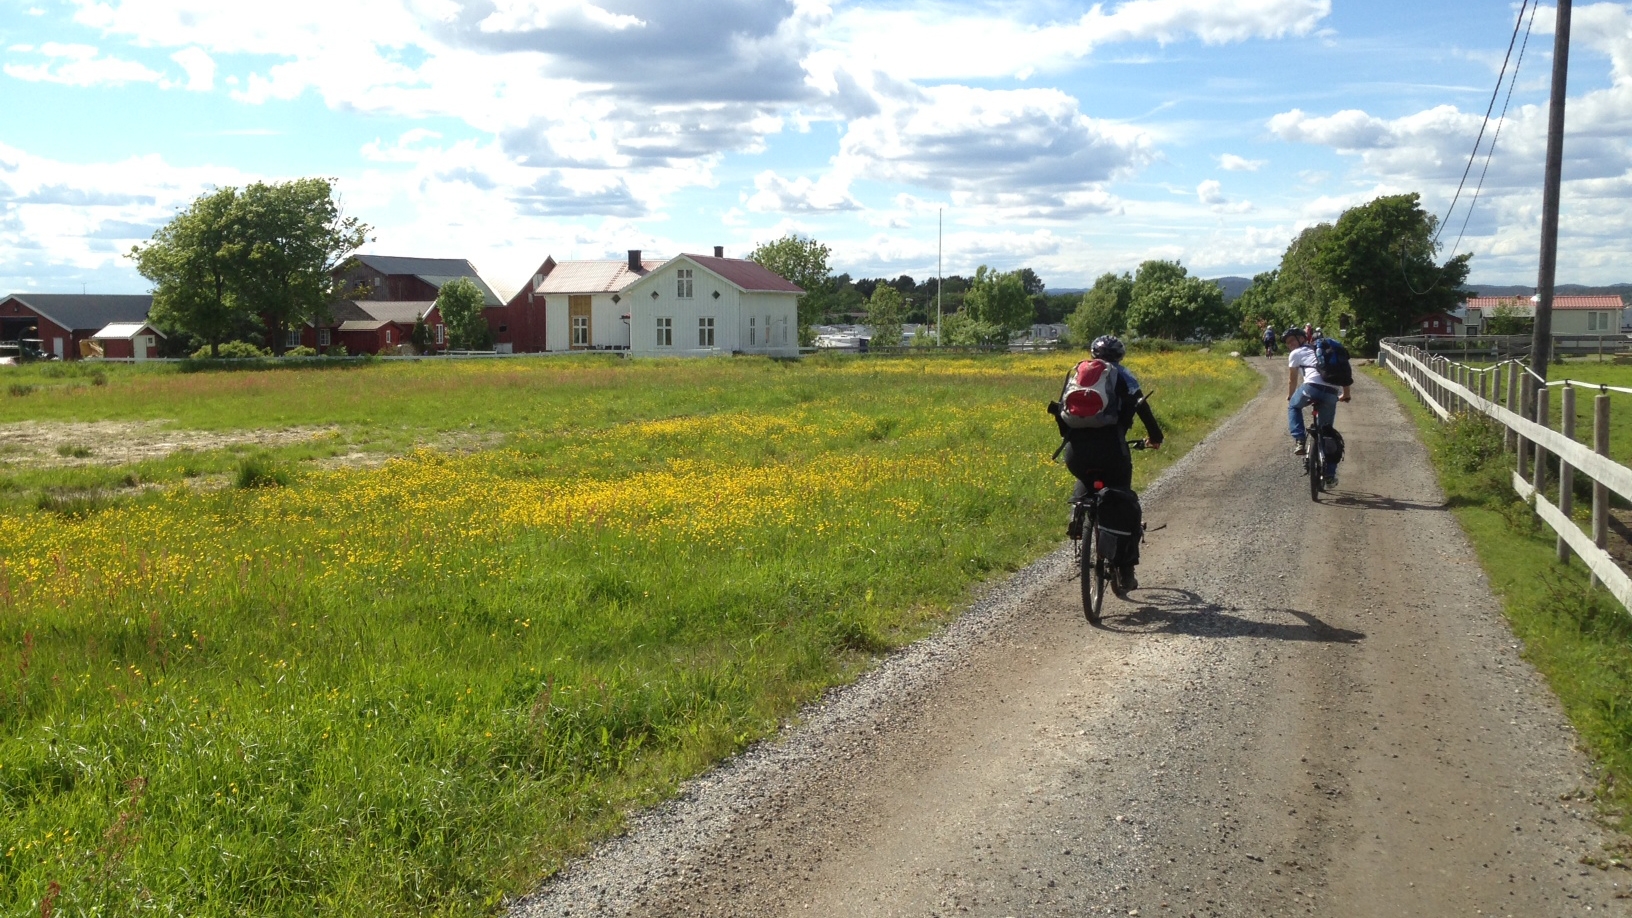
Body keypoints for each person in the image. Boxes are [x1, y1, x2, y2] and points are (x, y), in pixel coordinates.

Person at [1049, 335, 1164, 590]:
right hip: (1112, 449)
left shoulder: (1078, 374)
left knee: (1085, 477)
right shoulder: (1124, 376)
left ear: (1092, 354)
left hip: (1076, 451)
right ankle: (1126, 571)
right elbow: (1142, 408)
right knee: (1124, 501)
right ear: (1120, 356)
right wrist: (1156, 437)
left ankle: (1078, 514)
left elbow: (1060, 412)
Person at [1284, 326, 1351, 486]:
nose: (1290, 344)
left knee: (1293, 406)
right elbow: (1344, 373)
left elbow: (1292, 379)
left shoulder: (1296, 353)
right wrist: (1346, 394)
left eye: (1292, 340)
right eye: (1287, 343)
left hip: (1311, 388)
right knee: (1327, 432)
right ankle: (1330, 474)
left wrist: (1291, 396)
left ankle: (1300, 440)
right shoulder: (1327, 351)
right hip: (1332, 392)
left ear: (1302, 338)